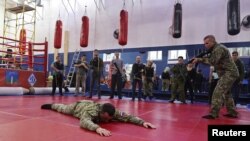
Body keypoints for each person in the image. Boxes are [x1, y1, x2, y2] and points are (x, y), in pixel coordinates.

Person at [40, 100, 156, 137]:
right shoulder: (92, 112)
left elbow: (128, 117)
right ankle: (51, 105)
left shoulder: (112, 112)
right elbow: (83, 121)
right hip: (78, 107)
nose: (107, 121)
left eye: (109, 119)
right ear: (102, 113)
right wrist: (97, 128)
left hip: (91, 103)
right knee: (63, 109)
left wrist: (142, 122)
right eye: (105, 119)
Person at [192, 35, 239, 119]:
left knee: (218, 91)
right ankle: (232, 112)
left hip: (229, 73)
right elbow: (212, 58)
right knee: (226, 93)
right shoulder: (214, 49)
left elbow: (212, 61)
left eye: (207, 43)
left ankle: (213, 114)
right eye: (204, 43)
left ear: (212, 41)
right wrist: (199, 58)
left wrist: (199, 59)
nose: (205, 45)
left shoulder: (218, 48)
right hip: (227, 73)